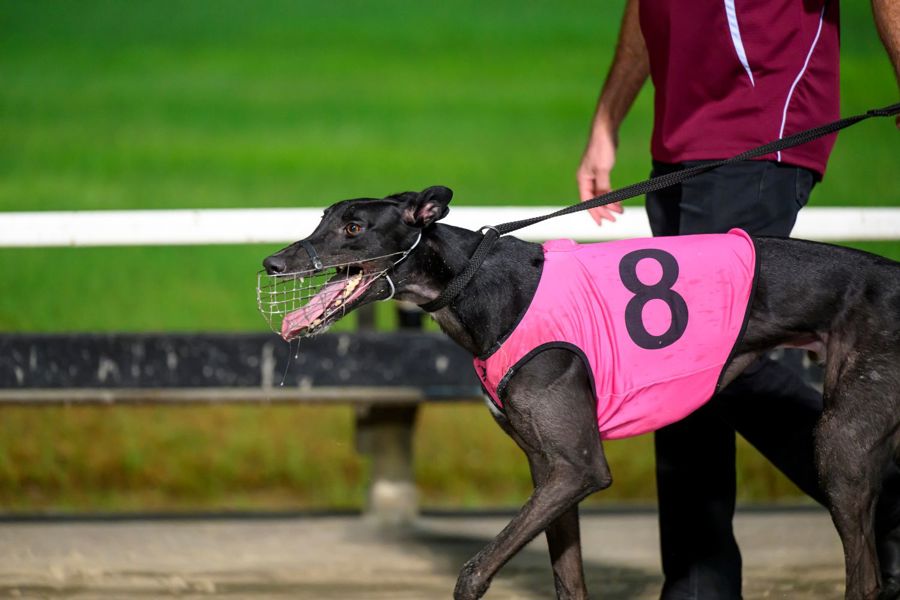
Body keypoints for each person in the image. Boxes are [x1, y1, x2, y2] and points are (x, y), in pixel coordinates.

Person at [577, 0, 900, 598]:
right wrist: (607, 119)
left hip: (762, 124)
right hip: (679, 138)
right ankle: (700, 588)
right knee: (677, 364)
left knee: (711, 355)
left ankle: (888, 498)